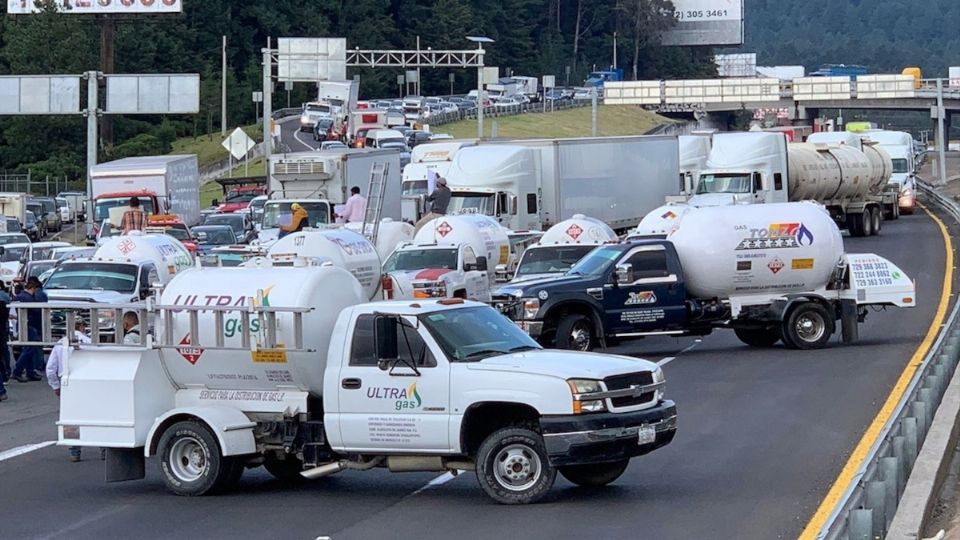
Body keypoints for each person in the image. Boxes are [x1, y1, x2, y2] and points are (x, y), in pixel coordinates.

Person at [47, 318, 91, 461]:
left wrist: (55, 386)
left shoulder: (60, 344)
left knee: (71, 417)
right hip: (87, 381)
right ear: (82, 327)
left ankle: (74, 451)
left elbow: (50, 369)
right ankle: (103, 449)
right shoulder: (90, 342)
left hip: (67, 382)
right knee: (94, 413)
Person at [12, 276, 46, 383]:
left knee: (29, 348)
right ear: (33, 288)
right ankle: (18, 371)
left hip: (24, 325)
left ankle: (29, 371)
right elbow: (36, 309)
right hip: (29, 325)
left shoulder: (20, 296)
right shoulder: (28, 298)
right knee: (29, 349)